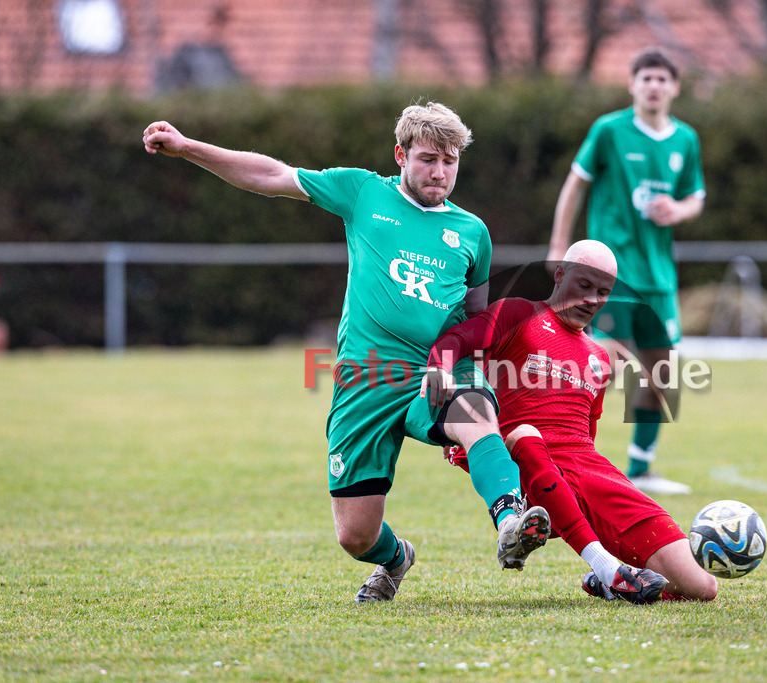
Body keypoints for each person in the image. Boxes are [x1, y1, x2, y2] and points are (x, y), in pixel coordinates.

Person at [142, 102, 550, 603]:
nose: (439, 173)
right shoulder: (362, 191)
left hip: (438, 370)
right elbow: (271, 174)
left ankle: (511, 520)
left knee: (475, 412)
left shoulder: (472, 232)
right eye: (427, 159)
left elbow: (475, 320)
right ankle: (396, 557)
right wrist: (187, 148)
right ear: (400, 154)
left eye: (450, 162)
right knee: (355, 536)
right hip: (367, 378)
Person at [426, 240, 717, 603]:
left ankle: (607, 585)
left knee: (702, 588)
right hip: (523, 463)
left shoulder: (599, 358)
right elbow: (457, 338)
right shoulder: (517, 313)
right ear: (560, 274)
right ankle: (607, 567)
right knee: (527, 433)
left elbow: (587, 442)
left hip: (583, 472)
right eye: (584, 285)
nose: (592, 298)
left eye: (603, 292)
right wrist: (439, 367)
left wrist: (563, 510)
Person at [547, 46, 706, 496]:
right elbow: (575, 183)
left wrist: (678, 208)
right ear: (632, 85)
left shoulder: (685, 140)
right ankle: (560, 450)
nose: (654, 86)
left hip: (658, 277)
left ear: (674, 88)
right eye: (646, 78)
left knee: (662, 373)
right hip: (611, 273)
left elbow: (696, 197)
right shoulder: (610, 131)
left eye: (662, 79)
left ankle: (640, 468)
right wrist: (560, 246)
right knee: (604, 362)